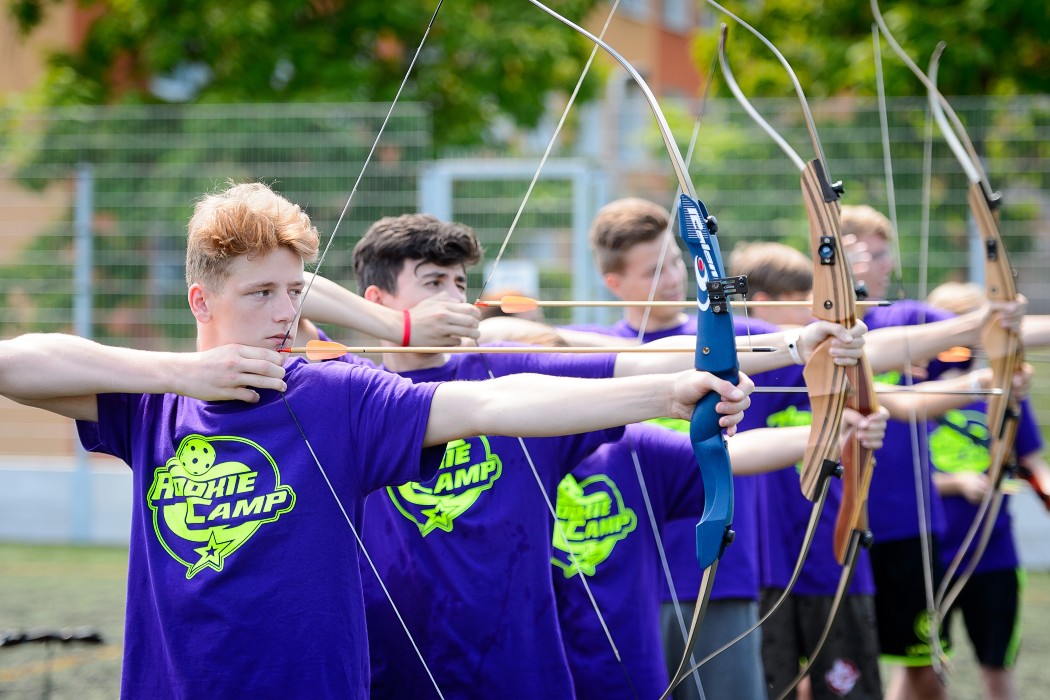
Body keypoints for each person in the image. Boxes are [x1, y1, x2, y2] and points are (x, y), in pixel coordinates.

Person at [0, 182, 757, 699]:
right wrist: (184, 373)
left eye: (292, 293)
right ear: (202, 299)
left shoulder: (336, 396)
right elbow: (15, 363)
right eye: (259, 294)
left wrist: (668, 390)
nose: (280, 313)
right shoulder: (153, 403)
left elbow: (494, 400)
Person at [299, 211, 870, 699]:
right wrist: (394, 328)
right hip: (393, 663)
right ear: (377, 297)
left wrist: (796, 343)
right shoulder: (346, 393)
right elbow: (277, 282)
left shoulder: (507, 373)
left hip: (519, 662)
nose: (454, 299)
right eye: (432, 283)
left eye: (459, 283)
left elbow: (647, 360)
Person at [841, 204, 1027, 700]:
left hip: (907, 527)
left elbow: (989, 335)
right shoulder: (802, 331)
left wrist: (1001, 350)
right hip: (830, 530)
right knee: (831, 672)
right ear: (836, 259)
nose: (885, 267)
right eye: (871, 255)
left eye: (886, 255)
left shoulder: (911, 320)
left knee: (923, 667)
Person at [927, 281, 1049, 700]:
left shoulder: (1002, 389)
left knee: (997, 666)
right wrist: (954, 482)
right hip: (931, 553)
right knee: (925, 671)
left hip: (992, 552)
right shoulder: (916, 391)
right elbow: (895, 477)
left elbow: (1031, 460)